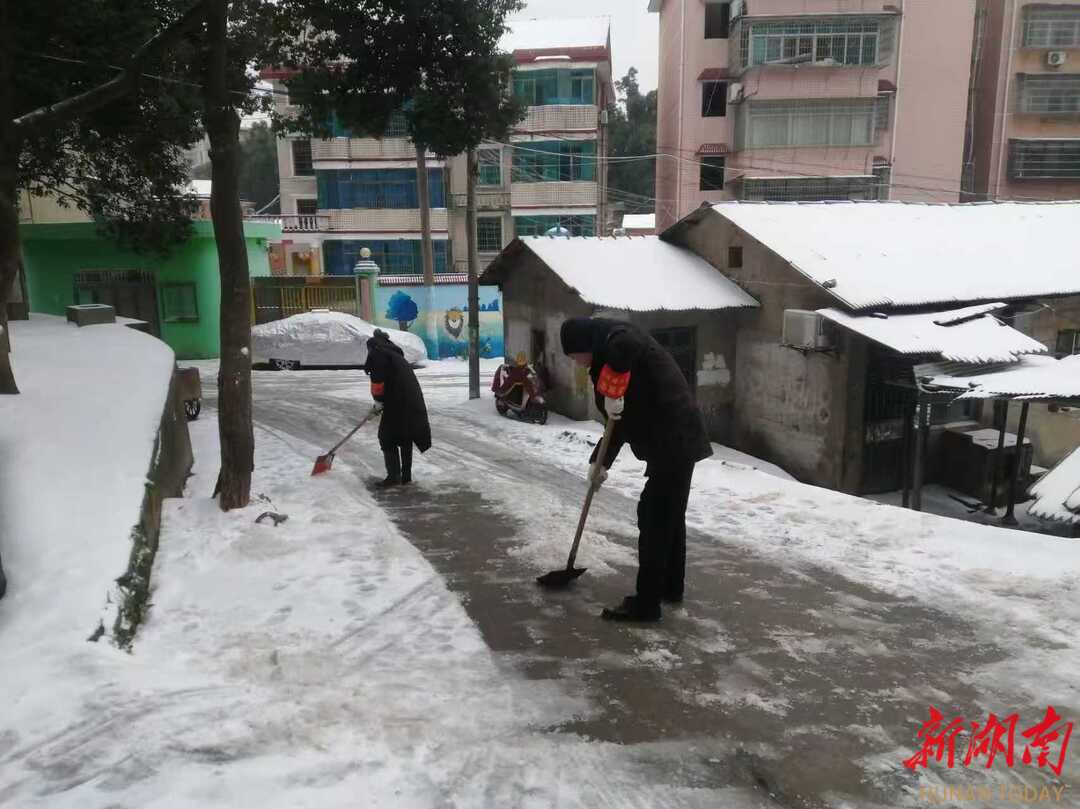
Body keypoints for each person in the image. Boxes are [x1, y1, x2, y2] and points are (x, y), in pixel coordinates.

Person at [560, 317, 713, 623]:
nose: (576, 363)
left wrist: (615, 382)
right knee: (669, 517)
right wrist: (600, 462)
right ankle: (669, 588)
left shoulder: (616, 341)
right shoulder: (603, 356)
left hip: (675, 439)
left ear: (585, 345)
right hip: (673, 440)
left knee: (654, 517)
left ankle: (647, 604)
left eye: (575, 356)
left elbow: (627, 344)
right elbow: (618, 422)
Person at [364, 330, 431, 486]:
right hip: (410, 400)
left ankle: (393, 477)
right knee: (405, 436)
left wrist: (378, 401)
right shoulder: (394, 354)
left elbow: (378, 380)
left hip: (398, 402)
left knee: (386, 437)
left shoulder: (378, 353)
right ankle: (405, 477)